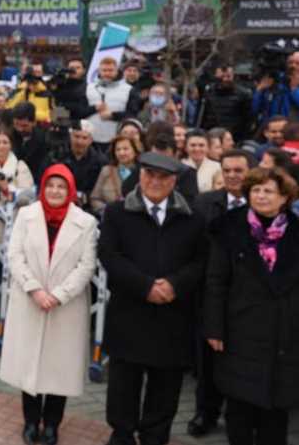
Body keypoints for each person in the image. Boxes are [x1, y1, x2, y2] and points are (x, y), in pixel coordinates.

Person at [98, 151, 207, 445]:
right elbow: (109, 255)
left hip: (172, 317)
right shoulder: (118, 213)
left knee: (165, 388)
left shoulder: (193, 217)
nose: (155, 182)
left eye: (163, 177)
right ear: (141, 176)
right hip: (130, 313)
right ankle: (122, 434)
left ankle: (155, 436)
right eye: (149, 175)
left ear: (174, 181)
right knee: (123, 386)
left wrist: (174, 285)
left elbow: (201, 261)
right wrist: (145, 286)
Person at [0, 164, 98, 445]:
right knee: (30, 366)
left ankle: (52, 425)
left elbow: (86, 265)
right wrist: (35, 290)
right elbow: (15, 256)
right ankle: (30, 422)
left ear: (70, 190)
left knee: (59, 368)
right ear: (42, 187)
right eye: (50, 185)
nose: (55, 191)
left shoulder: (85, 222)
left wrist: (58, 295)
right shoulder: (26, 215)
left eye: (61, 186)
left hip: (65, 306)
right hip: (30, 300)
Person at [203, 165, 298, 445]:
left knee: (275, 410)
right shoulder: (229, 227)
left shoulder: (295, 231)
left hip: (285, 334)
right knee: (240, 409)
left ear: (284, 198)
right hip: (239, 330)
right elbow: (215, 282)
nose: (261, 196)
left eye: (269, 191)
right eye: (255, 190)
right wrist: (214, 327)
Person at [186, 149, 254, 437]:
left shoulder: (262, 202)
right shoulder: (204, 203)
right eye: (227, 171)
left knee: (244, 362)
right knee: (208, 361)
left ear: (249, 172)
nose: (232, 176)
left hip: (249, 300)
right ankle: (206, 413)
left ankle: (241, 419)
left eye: (239, 170)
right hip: (209, 295)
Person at [86, 56, 131, 149]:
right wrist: (94, 108)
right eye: (104, 70)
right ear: (99, 71)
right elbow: (80, 111)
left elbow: (132, 113)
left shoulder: (128, 89)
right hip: (91, 139)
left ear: (117, 71)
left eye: (110, 70)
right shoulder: (88, 88)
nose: (107, 73)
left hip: (117, 139)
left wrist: (112, 115)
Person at [90, 136, 142, 215]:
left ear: (135, 151)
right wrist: (108, 212)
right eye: (118, 149)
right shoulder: (106, 171)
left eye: (125, 149)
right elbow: (94, 198)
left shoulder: (142, 173)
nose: (121, 153)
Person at [58, 121, 107, 203]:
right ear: (70, 137)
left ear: (91, 140)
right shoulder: (57, 155)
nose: (79, 142)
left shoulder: (100, 161)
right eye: (76, 136)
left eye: (84, 138)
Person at [199, 64, 252, 141]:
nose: (224, 79)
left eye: (228, 76)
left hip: (234, 137)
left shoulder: (244, 94)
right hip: (211, 135)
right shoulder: (208, 92)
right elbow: (202, 116)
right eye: (222, 76)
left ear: (233, 76)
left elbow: (247, 120)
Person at [10, 102, 48, 182]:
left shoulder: (44, 140)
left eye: (24, 126)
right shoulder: (8, 136)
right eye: (17, 124)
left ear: (34, 122)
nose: (20, 129)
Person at [182, 128, 222, 193]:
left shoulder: (217, 167)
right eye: (193, 145)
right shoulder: (179, 165)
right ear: (185, 148)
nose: (197, 149)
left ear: (208, 147)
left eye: (201, 145)